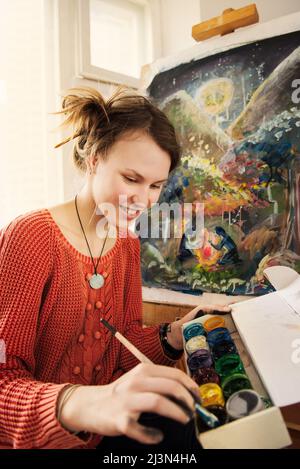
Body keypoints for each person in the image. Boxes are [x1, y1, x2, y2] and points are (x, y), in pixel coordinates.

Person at [0, 87, 230, 450]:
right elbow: (2, 381)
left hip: (108, 436)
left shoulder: (125, 243)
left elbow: (118, 344)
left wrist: (173, 333)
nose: (144, 201)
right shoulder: (30, 238)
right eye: (131, 178)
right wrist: (79, 403)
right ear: (93, 159)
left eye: (156, 186)